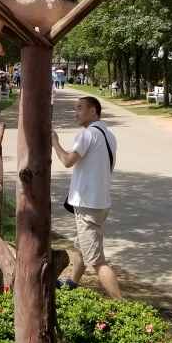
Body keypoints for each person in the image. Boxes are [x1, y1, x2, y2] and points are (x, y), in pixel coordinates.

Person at [52, 96, 122, 300]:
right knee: (82, 246)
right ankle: (72, 283)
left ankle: (122, 305)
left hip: (87, 205)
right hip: (100, 205)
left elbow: (67, 160)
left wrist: (54, 142)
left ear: (93, 111)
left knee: (97, 260)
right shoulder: (109, 136)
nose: (76, 113)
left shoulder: (87, 134)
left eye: (80, 108)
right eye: (75, 109)